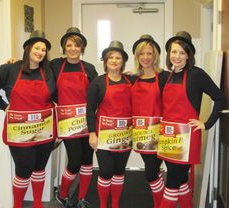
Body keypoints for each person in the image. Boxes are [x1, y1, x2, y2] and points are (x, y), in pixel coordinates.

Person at [157, 31, 225, 208]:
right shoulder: (166, 76)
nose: (177, 56)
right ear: (168, 53)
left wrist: (207, 123)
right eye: (173, 52)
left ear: (188, 55)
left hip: (187, 138)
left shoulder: (196, 74)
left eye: (181, 52)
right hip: (168, 137)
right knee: (181, 180)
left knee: (171, 182)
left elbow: (220, 97)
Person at [0, 30, 56, 208]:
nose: (40, 52)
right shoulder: (10, 69)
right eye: (37, 47)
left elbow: (58, 95)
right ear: (28, 48)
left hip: (44, 130)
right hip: (19, 131)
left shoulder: (48, 72)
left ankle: (37, 204)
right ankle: (18, 205)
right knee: (23, 170)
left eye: (43, 50)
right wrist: (3, 105)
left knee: (39, 168)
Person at [50, 27, 98, 208]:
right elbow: (34, 66)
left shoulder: (89, 68)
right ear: (64, 47)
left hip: (87, 120)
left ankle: (81, 198)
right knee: (75, 161)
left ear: (82, 48)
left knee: (87, 161)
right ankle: (62, 194)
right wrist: (15, 63)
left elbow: (97, 93)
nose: (73, 49)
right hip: (67, 123)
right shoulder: (55, 65)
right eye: (69, 45)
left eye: (77, 45)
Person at [87, 40, 133, 208]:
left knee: (119, 171)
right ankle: (102, 205)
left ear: (123, 61)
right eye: (110, 57)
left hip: (125, 134)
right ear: (105, 61)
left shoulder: (131, 80)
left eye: (118, 58)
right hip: (103, 135)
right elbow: (90, 110)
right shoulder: (98, 82)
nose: (114, 60)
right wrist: (92, 133)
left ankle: (115, 204)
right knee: (106, 172)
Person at [131, 34, 168, 208]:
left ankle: (159, 204)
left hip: (163, 132)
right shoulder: (131, 78)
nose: (145, 58)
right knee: (152, 172)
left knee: (153, 173)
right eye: (141, 54)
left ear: (155, 56)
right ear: (137, 57)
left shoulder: (165, 77)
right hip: (142, 134)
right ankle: (160, 202)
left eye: (149, 54)